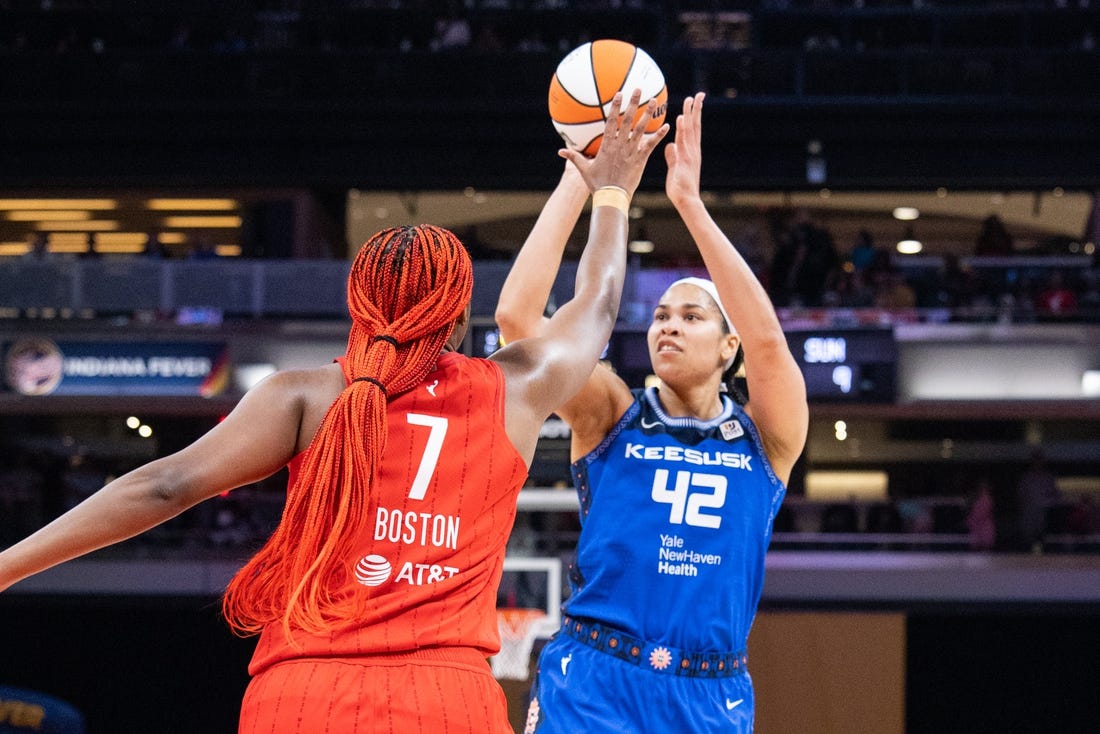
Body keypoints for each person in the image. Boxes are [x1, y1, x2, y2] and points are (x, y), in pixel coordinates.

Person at [0, 91, 668, 734]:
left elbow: (163, 486)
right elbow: (596, 307)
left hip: (303, 694)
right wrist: (610, 189)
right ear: (460, 318)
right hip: (446, 695)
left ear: (358, 303)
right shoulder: (512, 389)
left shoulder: (304, 395)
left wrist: (8, 566)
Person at [495, 93, 808, 733]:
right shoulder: (612, 413)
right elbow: (518, 323)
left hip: (707, 693)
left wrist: (689, 204)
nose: (668, 327)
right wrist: (579, 180)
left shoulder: (767, 438)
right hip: (594, 678)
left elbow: (770, 341)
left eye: (691, 317)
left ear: (730, 346)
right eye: (661, 316)